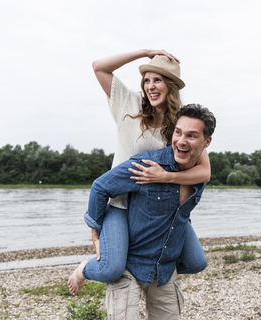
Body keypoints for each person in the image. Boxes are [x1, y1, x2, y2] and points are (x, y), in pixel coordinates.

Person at [67, 50, 209, 295]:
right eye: (146, 80)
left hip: (159, 207)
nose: (151, 86)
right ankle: (83, 269)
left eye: (158, 80)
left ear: (171, 85)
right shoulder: (128, 102)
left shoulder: (180, 120)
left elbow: (204, 172)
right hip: (121, 203)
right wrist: (145, 52)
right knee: (112, 268)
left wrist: (167, 177)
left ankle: (147, 264)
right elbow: (99, 67)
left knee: (196, 262)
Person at [87, 104, 216, 319]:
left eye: (192, 136)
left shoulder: (199, 176)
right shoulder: (146, 165)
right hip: (129, 265)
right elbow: (100, 187)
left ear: (206, 142)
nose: (182, 141)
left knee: (197, 262)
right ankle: (87, 268)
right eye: (178, 132)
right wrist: (96, 233)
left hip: (163, 269)